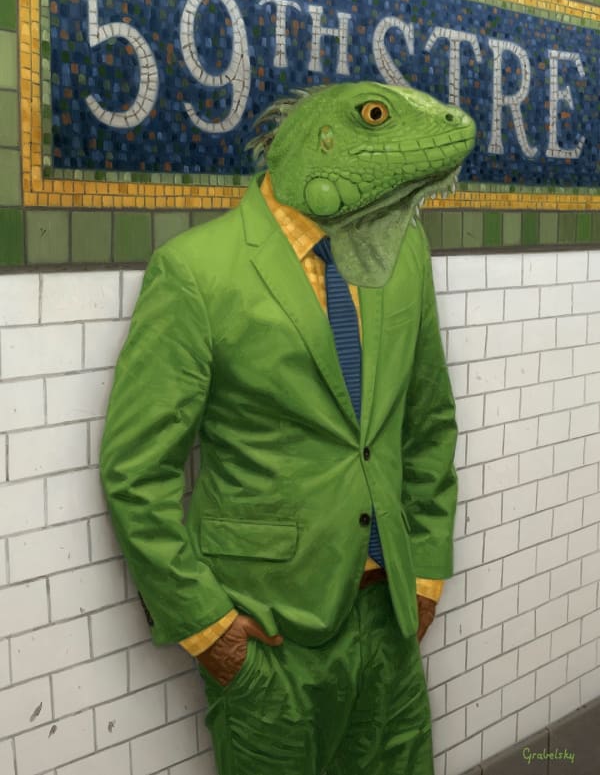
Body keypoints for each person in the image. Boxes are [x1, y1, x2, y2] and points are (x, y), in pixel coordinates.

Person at [101, 81, 474, 775]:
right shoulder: (196, 271)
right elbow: (134, 471)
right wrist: (210, 627)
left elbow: (427, 423)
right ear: (320, 141)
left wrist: (425, 569)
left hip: (389, 615)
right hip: (271, 633)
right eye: (372, 117)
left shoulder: (403, 253)